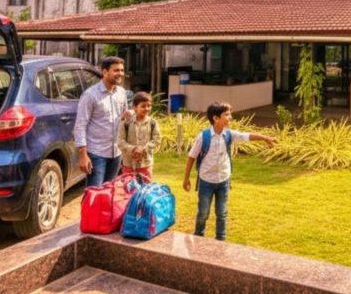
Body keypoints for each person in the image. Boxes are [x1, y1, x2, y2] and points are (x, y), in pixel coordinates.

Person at [182, 102, 276, 241]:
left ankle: (221, 239)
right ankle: (198, 237)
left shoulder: (229, 135)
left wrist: (265, 138)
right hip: (206, 182)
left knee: (222, 213)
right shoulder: (204, 136)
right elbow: (191, 157)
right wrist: (186, 179)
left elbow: (246, 136)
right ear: (216, 118)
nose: (230, 117)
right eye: (226, 114)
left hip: (223, 181)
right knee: (203, 213)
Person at [74, 56, 128, 187]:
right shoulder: (90, 95)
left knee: (109, 192)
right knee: (94, 194)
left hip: (116, 153)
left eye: (122, 70)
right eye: (116, 70)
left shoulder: (121, 93)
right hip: (96, 154)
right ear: (105, 72)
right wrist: (83, 155)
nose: (120, 73)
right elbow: (80, 125)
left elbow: (123, 120)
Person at [118, 92, 162, 179]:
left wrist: (143, 149)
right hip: (128, 164)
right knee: (129, 190)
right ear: (134, 107)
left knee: (145, 190)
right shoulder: (126, 123)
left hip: (146, 164)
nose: (146, 108)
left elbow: (157, 139)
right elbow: (120, 142)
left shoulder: (153, 123)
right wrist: (133, 149)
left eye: (149, 106)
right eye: (143, 106)